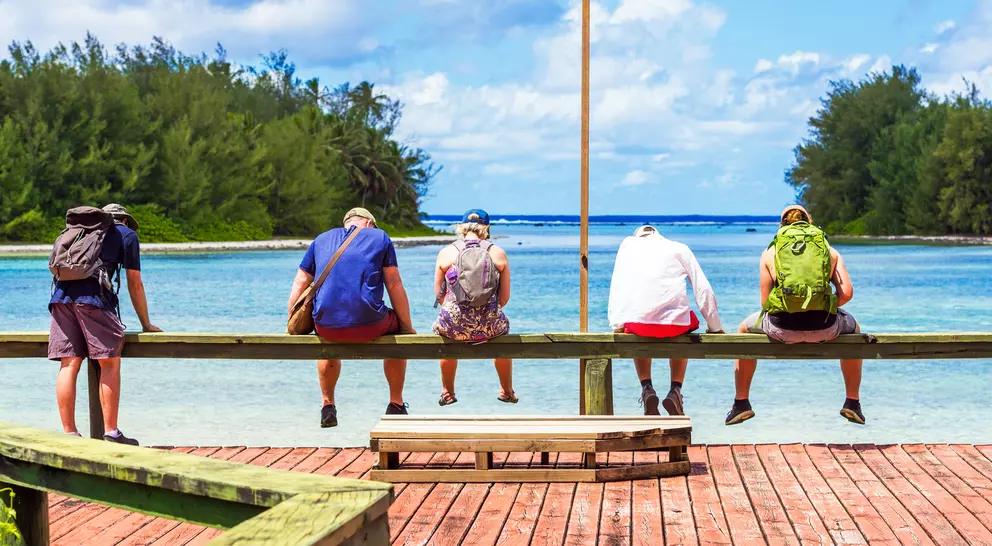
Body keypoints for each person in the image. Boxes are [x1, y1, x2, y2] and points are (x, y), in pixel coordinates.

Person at [726, 205, 863, 426]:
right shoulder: (829, 251)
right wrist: (824, 304)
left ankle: (741, 403)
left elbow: (765, 303)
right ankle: (852, 402)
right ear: (809, 223)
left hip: (782, 329)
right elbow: (846, 294)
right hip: (826, 328)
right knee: (856, 331)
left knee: (743, 328)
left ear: (782, 227)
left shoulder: (770, 252)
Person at [288, 207, 416, 428]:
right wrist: (407, 327)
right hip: (371, 324)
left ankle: (328, 405)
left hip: (327, 327)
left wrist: (291, 322)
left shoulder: (321, 239)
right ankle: (395, 403)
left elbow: (300, 282)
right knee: (399, 333)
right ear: (368, 223)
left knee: (324, 337)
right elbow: (394, 283)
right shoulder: (380, 237)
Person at [49, 204, 162, 445]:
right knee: (109, 363)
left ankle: (69, 434)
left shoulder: (77, 232)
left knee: (68, 364)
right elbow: (134, 282)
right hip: (94, 301)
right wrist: (146, 323)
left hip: (60, 299)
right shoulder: (127, 235)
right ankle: (111, 433)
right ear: (124, 220)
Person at [608, 225, 724, 416]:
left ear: (637, 236)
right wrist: (715, 326)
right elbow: (703, 289)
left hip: (639, 326)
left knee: (636, 323)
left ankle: (647, 387)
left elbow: (618, 284)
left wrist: (618, 323)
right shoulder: (679, 248)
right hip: (674, 326)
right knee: (685, 323)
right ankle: (675, 390)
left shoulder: (628, 246)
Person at [432, 209, 514, 405]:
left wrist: (459, 313)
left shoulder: (446, 252)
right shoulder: (497, 253)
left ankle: (447, 392)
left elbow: (439, 296)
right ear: (486, 228)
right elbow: (504, 298)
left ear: (461, 228)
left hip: (453, 325)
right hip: (489, 325)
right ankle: (506, 390)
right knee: (503, 333)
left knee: (445, 336)